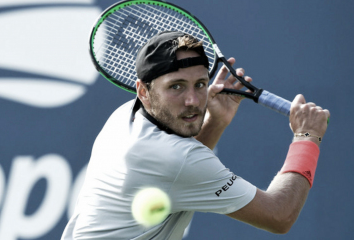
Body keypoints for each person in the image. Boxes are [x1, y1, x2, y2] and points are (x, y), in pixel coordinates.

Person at [61, 31, 330, 239]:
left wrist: (215, 123)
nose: (192, 100)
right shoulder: (174, 159)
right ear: (144, 91)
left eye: (200, 84)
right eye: (176, 87)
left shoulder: (124, 115)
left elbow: (177, 175)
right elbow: (279, 216)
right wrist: (307, 137)